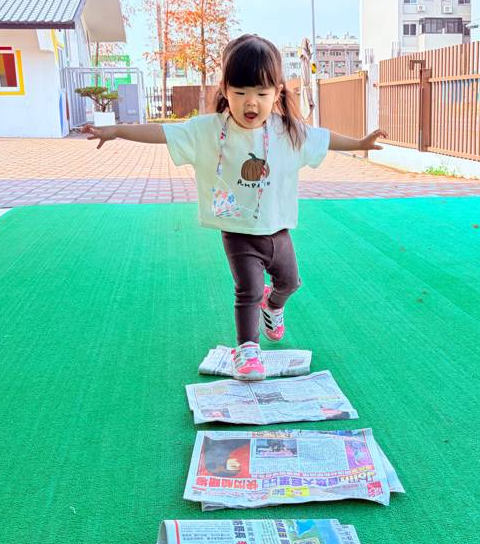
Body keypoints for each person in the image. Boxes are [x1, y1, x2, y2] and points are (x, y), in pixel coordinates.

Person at [85, 34, 385, 381]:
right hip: (238, 231)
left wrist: (360, 143)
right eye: (240, 92)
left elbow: (324, 138)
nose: (250, 102)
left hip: (278, 230)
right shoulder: (208, 130)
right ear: (225, 90)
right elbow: (163, 132)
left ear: (277, 92)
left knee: (290, 283)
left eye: (261, 93)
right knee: (248, 291)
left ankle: (273, 306)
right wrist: (117, 130)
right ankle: (247, 350)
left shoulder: (288, 131)